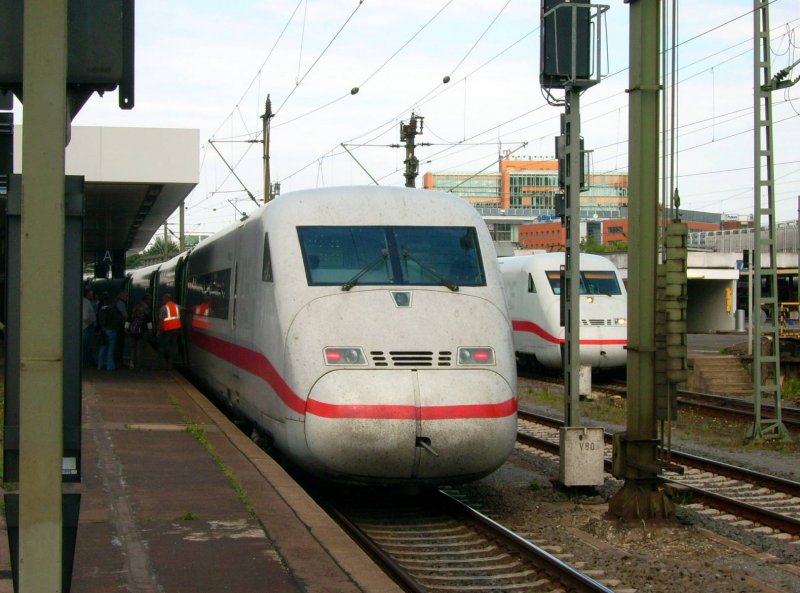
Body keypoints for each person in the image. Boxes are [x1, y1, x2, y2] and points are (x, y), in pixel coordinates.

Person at [96, 293, 124, 371]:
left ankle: (100, 365)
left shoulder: (101, 310)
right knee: (111, 349)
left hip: (103, 330)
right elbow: (117, 319)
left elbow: (98, 320)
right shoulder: (112, 309)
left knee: (102, 348)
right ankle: (110, 366)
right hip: (111, 330)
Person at [128, 293, 152, 370]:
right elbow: (149, 322)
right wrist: (150, 330)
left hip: (132, 333)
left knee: (132, 348)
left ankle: (131, 363)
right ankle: (139, 365)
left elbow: (128, 321)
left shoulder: (132, 314)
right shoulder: (145, 314)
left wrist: (126, 329)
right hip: (142, 333)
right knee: (140, 349)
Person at [157, 293, 182, 369]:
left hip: (167, 330)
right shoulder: (177, 306)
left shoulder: (164, 308)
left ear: (166, 299)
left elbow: (161, 321)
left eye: (163, 299)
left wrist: (158, 331)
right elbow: (184, 309)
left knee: (162, 347)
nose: (162, 300)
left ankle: (159, 365)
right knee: (172, 348)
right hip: (176, 330)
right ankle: (170, 366)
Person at [82, 288, 97, 368]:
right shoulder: (85, 303)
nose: (92, 295)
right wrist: (91, 321)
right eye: (91, 294)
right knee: (87, 346)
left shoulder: (86, 302)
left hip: (87, 326)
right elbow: (85, 317)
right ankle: (86, 362)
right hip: (87, 326)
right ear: (87, 294)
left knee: (86, 346)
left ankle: (86, 362)